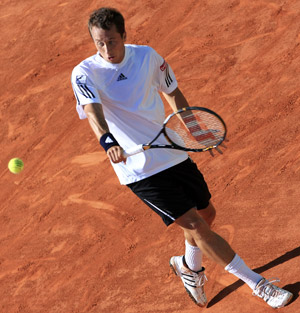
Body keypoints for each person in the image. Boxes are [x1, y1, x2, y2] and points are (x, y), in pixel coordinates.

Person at [71, 7, 293, 309]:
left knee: (207, 215)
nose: (106, 49)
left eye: (111, 41)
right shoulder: (85, 73)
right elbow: (93, 113)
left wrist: (196, 132)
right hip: (138, 168)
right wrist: (108, 141)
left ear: (124, 35)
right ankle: (259, 285)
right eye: (99, 43)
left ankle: (189, 267)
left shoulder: (147, 57)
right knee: (195, 227)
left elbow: (173, 93)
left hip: (171, 150)